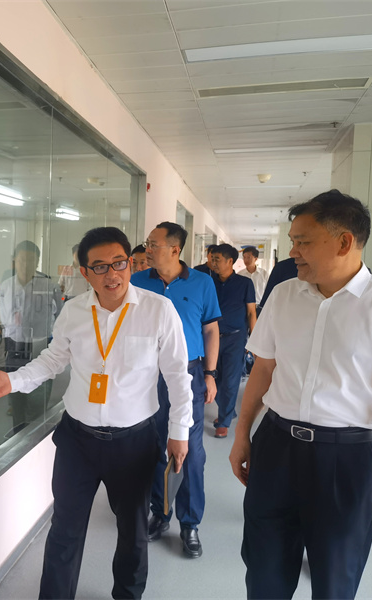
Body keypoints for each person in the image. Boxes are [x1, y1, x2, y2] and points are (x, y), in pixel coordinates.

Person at [229, 190, 372, 599]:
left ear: (343, 242)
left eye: (303, 241)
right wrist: (242, 434)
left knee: (335, 582)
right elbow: (263, 371)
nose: (293, 251)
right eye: (293, 241)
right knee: (264, 574)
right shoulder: (284, 295)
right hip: (277, 448)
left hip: (348, 461)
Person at [0, 227, 193, 600]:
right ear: (84, 272)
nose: (112, 274)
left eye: (119, 263)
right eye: (100, 267)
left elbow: (177, 376)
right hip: (78, 440)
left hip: (134, 443)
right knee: (65, 529)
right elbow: (52, 360)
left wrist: (179, 432)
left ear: (131, 263)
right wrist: (13, 381)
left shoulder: (159, 311)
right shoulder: (74, 311)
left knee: (133, 532)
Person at [132, 222, 220, 559]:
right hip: (147, 373)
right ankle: (161, 512)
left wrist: (210, 374)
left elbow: (210, 330)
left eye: (153, 244)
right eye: (147, 243)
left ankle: (190, 522)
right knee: (155, 446)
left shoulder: (201, 283)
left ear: (174, 249)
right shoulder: (138, 281)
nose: (147, 250)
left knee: (190, 450)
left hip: (189, 372)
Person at [0, 240, 63, 431]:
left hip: (39, 345)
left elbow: (60, 315)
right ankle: (18, 430)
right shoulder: (6, 286)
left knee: (39, 394)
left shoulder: (48, 286)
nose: (26, 265)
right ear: (14, 261)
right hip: (14, 345)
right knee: (15, 393)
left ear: (37, 262)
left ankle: (35, 432)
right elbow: (3, 317)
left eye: (31, 260)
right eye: (22, 260)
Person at [211, 244, 256, 437]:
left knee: (230, 380)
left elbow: (251, 312)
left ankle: (224, 421)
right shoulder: (208, 282)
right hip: (211, 338)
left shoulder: (244, 284)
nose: (213, 263)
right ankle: (228, 410)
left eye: (217, 259)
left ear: (230, 261)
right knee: (213, 377)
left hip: (235, 338)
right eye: (212, 259)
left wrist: (254, 342)